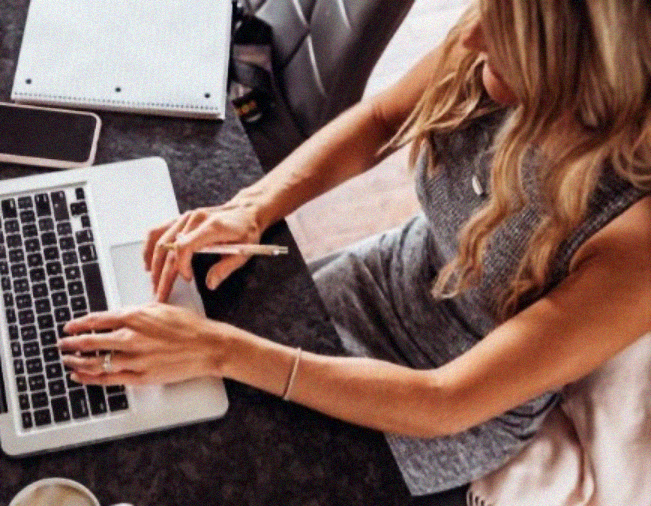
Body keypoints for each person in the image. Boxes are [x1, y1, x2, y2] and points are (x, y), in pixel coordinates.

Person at [59, 0, 651, 495]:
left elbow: (446, 402)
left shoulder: (636, 236)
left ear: (587, 65)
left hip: (434, 403)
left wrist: (222, 351)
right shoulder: (488, 41)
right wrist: (253, 207)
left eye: (506, 33)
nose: (469, 33)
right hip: (378, 279)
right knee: (151, 407)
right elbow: (377, 120)